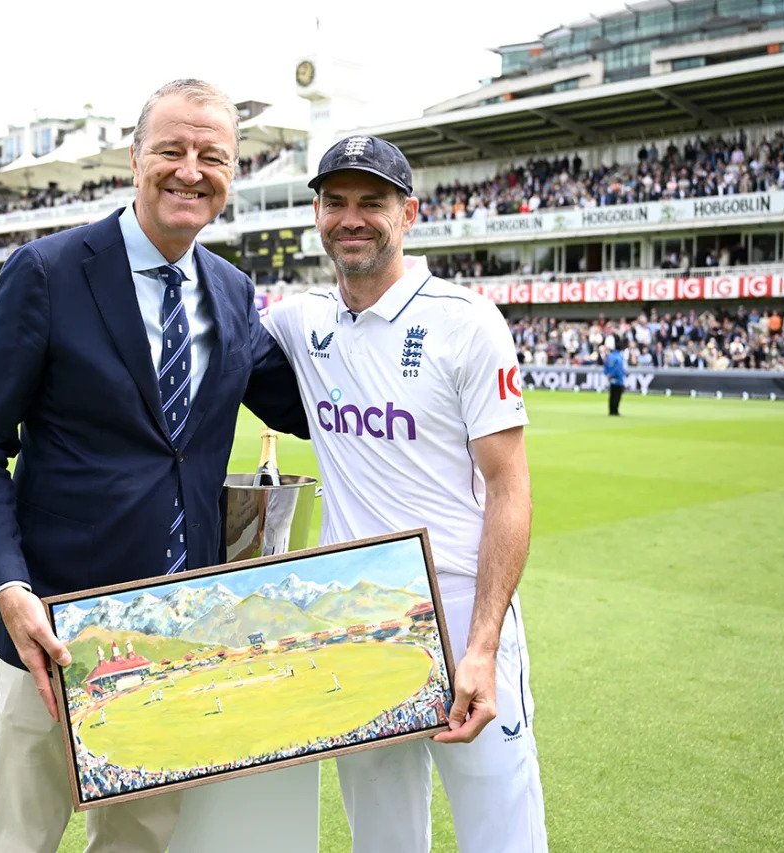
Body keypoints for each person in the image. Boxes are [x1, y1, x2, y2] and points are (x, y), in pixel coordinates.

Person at [0, 78, 307, 853]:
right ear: (133, 159)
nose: (190, 169)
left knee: (139, 844)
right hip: (54, 629)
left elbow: (312, 407)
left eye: (212, 155)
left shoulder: (236, 293)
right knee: (19, 839)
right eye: (171, 149)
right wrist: (9, 590)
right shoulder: (46, 272)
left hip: (175, 633)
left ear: (232, 174)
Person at [262, 135, 546, 852]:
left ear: (409, 212)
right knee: (382, 838)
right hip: (356, 618)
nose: (350, 218)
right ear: (317, 213)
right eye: (335, 202)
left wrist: (482, 645)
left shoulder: (466, 321)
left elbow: (509, 490)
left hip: (456, 612)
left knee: (501, 834)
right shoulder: (300, 321)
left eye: (372, 202)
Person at [603, 343, 626, 416]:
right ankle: (615, 411)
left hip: (611, 379)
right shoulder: (619, 357)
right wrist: (612, 374)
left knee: (612, 395)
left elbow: (605, 366)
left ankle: (611, 410)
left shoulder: (610, 356)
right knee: (617, 396)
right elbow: (618, 369)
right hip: (618, 379)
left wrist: (608, 374)